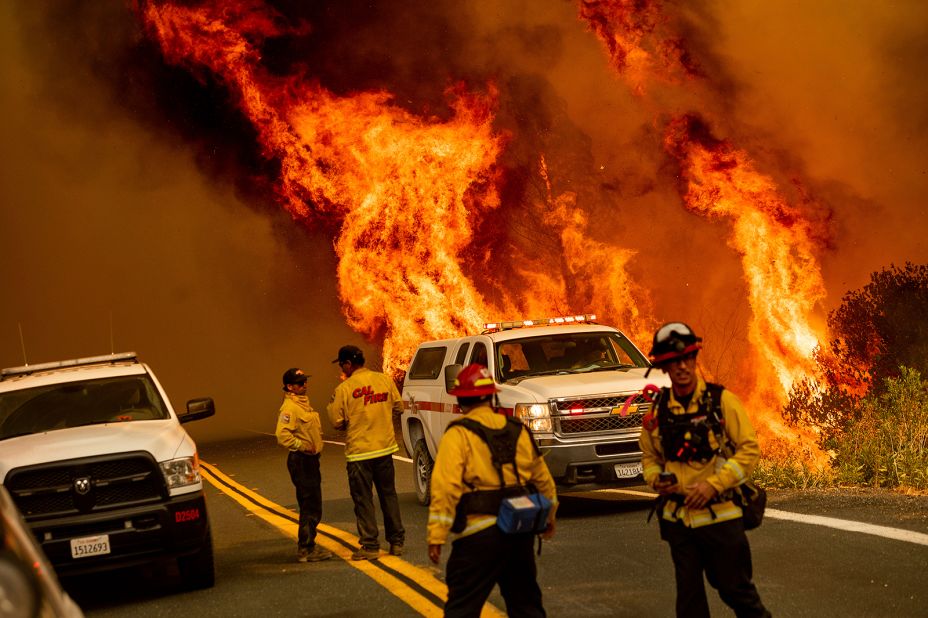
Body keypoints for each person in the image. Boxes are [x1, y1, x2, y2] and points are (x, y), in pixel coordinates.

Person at [640, 322, 771, 617]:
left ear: (695, 360)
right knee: (689, 603)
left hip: (721, 519)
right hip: (679, 522)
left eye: (687, 359)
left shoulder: (721, 402)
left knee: (736, 591)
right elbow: (649, 456)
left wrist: (714, 484)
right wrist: (655, 479)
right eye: (674, 362)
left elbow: (749, 449)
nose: (682, 367)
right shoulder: (657, 411)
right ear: (664, 366)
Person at [428, 363, 557, 617]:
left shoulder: (458, 435)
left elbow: (445, 488)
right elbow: (543, 481)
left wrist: (436, 536)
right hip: (519, 535)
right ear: (492, 396)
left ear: (460, 400)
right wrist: (549, 517)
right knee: (526, 606)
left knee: (462, 609)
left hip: (478, 538)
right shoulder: (518, 430)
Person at [326, 345, 405, 561]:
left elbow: (336, 421)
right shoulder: (385, 380)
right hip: (385, 449)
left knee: (363, 499)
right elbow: (399, 407)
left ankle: (370, 546)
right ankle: (396, 543)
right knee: (388, 495)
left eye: (342, 365)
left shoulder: (344, 388)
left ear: (349, 364)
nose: (342, 369)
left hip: (360, 454)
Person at [275, 368, 333, 563]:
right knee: (310, 504)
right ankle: (306, 548)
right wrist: (302, 446)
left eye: (305, 381)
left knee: (312, 503)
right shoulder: (289, 408)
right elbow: (282, 435)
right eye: (300, 383)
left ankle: (308, 545)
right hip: (301, 461)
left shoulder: (302, 406)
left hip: (310, 461)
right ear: (290, 387)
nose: (305, 385)